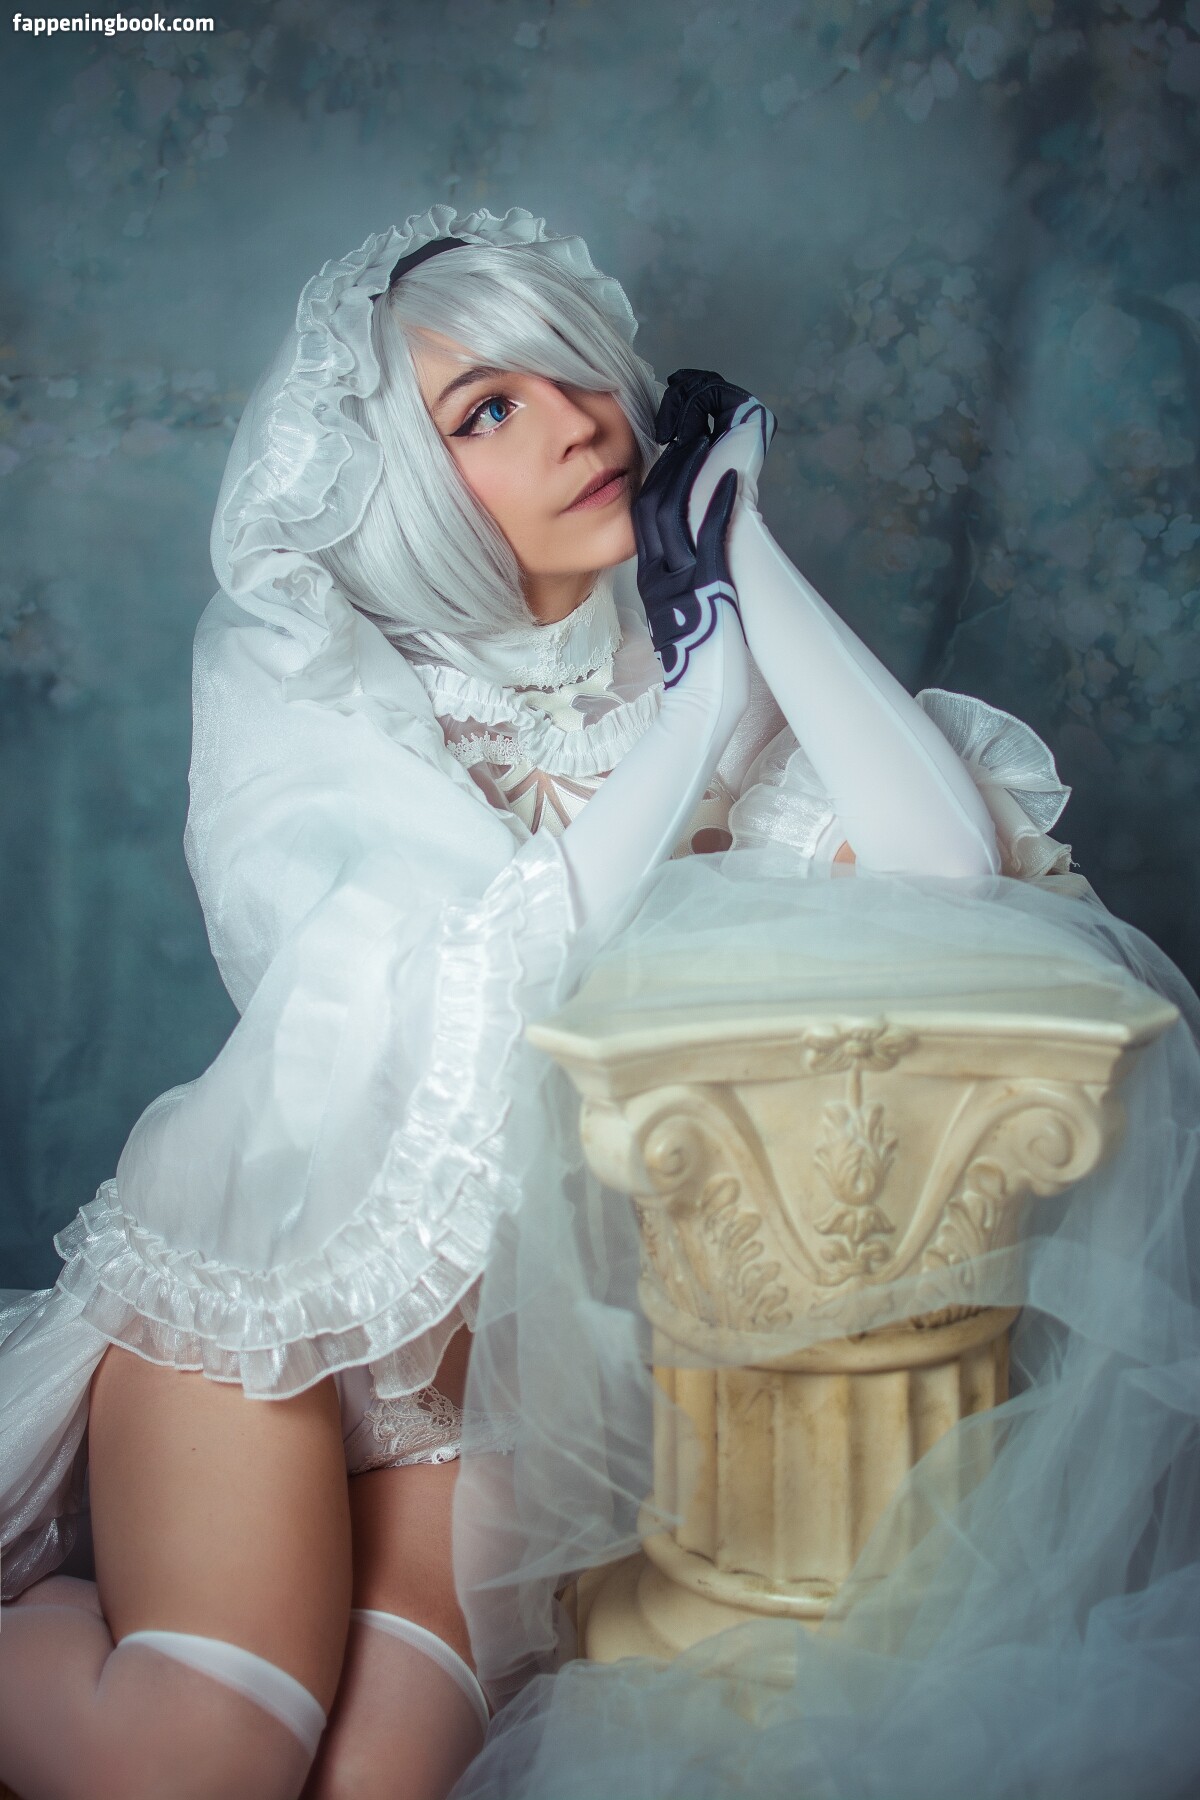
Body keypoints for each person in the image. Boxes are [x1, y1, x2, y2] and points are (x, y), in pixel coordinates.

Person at [2, 205, 1190, 1800]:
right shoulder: (312, 671)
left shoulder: (674, 654)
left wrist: (737, 542)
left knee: (375, 1788)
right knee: (200, 1762)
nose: (575, 423)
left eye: (579, 375)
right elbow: (473, 971)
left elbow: (948, 865)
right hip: (270, 1309)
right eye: (486, 408)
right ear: (394, 478)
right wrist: (700, 712)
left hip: (484, 1390)